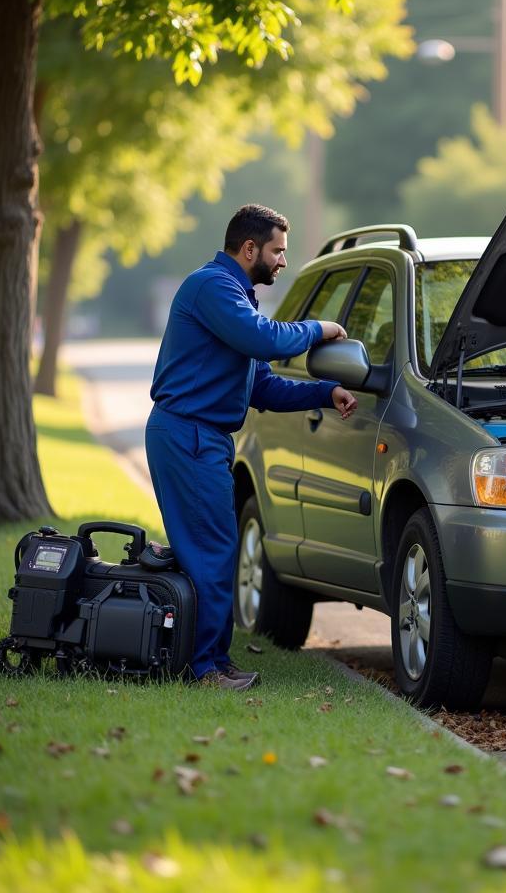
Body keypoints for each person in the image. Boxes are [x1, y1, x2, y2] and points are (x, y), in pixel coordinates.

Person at [146, 204, 358, 690]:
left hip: (203, 436)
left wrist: (324, 392)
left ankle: (213, 663)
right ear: (249, 249)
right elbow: (263, 341)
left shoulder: (237, 299)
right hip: (188, 434)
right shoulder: (213, 288)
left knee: (211, 551)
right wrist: (319, 329)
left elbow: (263, 385)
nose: (282, 261)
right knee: (214, 552)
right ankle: (204, 670)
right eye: (278, 251)